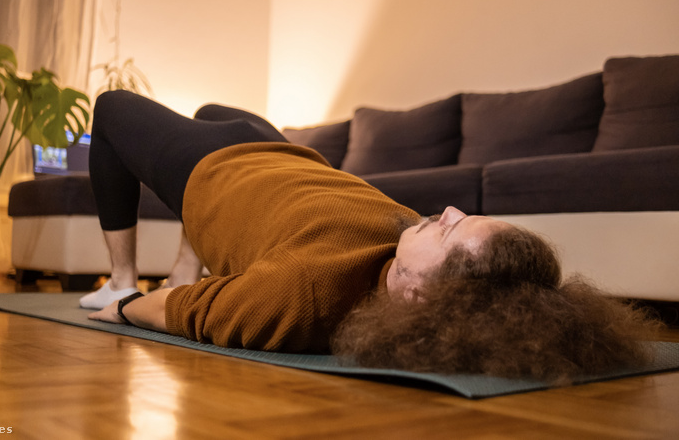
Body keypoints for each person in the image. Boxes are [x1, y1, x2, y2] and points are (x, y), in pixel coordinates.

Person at [84, 90, 658, 381]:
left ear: (423, 299)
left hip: (218, 167)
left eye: (454, 231)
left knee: (110, 109)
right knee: (213, 105)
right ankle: (187, 258)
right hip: (291, 155)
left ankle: (118, 275)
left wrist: (130, 306)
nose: (451, 210)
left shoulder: (297, 293)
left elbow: (188, 311)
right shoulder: (407, 243)